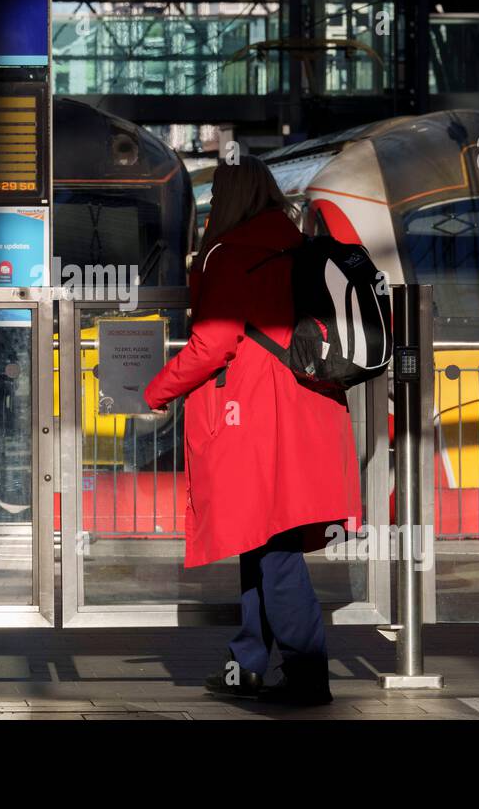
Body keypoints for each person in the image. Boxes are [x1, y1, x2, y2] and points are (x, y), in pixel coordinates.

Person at [143, 155, 361, 706]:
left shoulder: (229, 253)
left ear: (229, 199)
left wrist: (155, 391)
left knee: (273, 549)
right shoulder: (300, 248)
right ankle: (249, 663)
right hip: (312, 410)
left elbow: (212, 344)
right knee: (262, 541)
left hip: (257, 420)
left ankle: (309, 674)